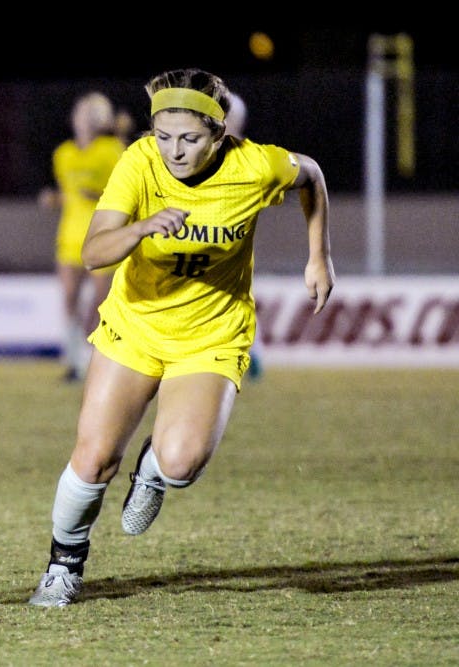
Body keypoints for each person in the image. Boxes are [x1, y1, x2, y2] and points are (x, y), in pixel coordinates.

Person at [28, 68, 334, 607]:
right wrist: (140, 228)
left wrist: (319, 255)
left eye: (190, 139)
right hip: (136, 327)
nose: (174, 150)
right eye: (163, 136)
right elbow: (95, 252)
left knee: (182, 463)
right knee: (94, 457)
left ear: (220, 134)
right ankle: (63, 566)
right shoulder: (138, 161)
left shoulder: (255, 165)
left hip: (211, 335)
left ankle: (154, 468)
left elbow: (310, 174)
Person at [37, 92, 129, 381]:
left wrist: (100, 194)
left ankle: (93, 360)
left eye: (91, 113)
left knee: (98, 305)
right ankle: (74, 362)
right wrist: (55, 198)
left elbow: (128, 190)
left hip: (103, 235)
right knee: (69, 300)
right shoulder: (64, 153)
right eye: (81, 112)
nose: (84, 118)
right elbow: (69, 193)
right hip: (70, 236)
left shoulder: (112, 149)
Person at [224, 91, 263, 380]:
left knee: (240, 296)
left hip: (232, 236)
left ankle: (254, 355)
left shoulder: (245, 155)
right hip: (205, 234)